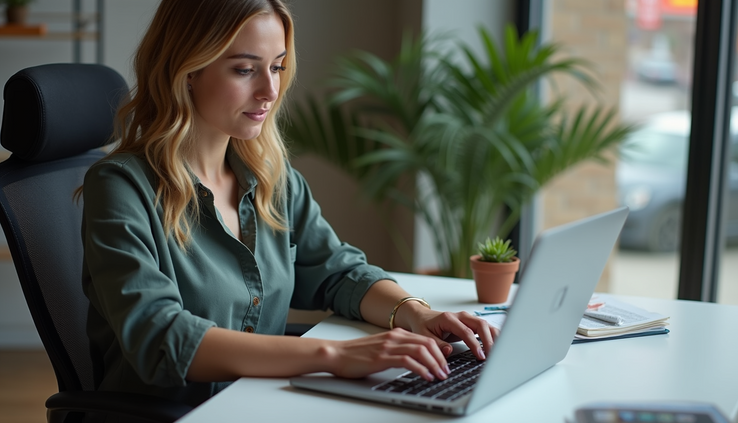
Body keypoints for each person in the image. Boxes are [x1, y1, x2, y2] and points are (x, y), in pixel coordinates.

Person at [81, 0, 497, 408]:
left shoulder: (271, 181)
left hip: (261, 402)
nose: (270, 90)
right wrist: (332, 357)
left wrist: (415, 314)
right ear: (187, 71)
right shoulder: (120, 187)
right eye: (245, 70)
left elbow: (339, 272)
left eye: (277, 66)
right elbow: (161, 336)